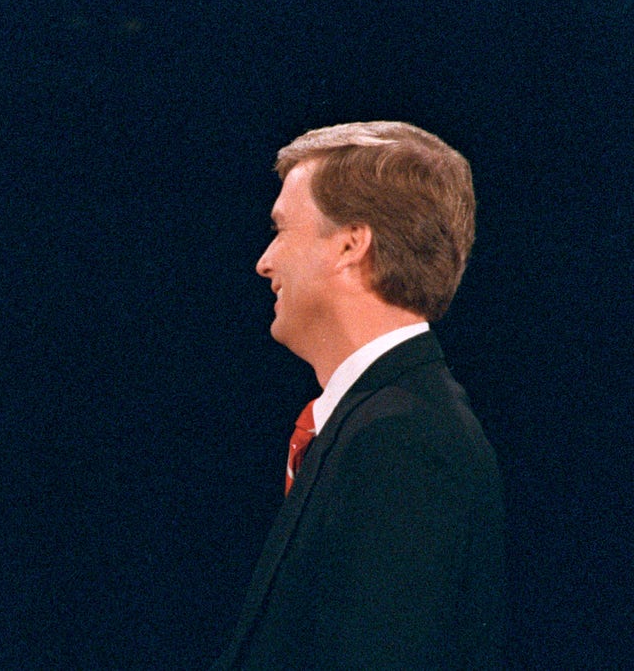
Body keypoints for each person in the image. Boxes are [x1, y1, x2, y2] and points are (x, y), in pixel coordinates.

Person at [213, 121, 505, 668]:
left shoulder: (403, 442)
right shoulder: (381, 421)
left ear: (350, 245)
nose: (264, 262)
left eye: (281, 230)